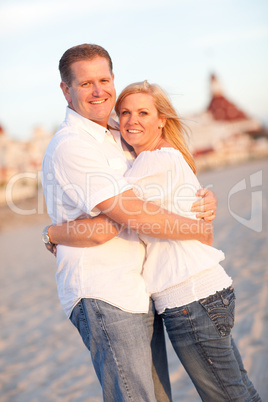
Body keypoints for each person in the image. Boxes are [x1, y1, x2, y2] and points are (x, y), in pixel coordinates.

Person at [47, 80, 262, 402]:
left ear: (162, 119)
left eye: (143, 113)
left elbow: (108, 224)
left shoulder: (151, 163)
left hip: (189, 298)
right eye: (126, 113)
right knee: (237, 389)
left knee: (228, 396)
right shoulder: (166, 158)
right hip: (203, 293)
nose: (132, 121)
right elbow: (200, 227)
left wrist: (52, 233)